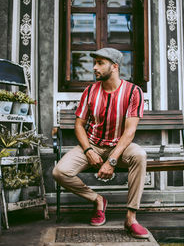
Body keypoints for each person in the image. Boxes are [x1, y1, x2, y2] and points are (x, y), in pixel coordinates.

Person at [53, 48, 149, 238]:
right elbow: (79, 125)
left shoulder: (133, 92)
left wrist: (111, 160)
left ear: (114, 67)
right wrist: (88, 150)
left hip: (120, 147)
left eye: (99, 63)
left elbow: (130, 132)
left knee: (140, 155)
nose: (94, 67)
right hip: (93, 144)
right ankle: (98, 200)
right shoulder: (90, 91)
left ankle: (131, 218)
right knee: (59, 172)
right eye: (94, 63)